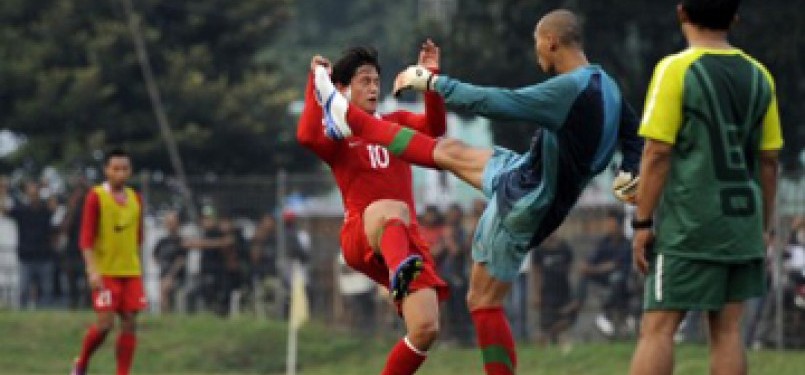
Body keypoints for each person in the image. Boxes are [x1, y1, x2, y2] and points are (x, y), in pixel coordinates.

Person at [313, 9, 643, 374]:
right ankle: (344, 115)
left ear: (551, 43)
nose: (537, 55)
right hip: (524, 169)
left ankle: (345, 115)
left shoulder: (566, 89)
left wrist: (433, 82)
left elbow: (497, 102)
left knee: (482, 301)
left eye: (538, 46)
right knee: (449, 151)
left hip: (529, 199)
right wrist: (631, 167)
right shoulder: (606, 83)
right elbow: (632, 130)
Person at [627, 0, 783, 374]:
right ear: (734, 17)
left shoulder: (675, 69)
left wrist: (643, 223)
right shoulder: (760, 75)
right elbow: (769, 160)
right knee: (728, 330)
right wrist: (764, 226)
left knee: (658, 329)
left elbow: (657, 152)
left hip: (690, 223)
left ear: (681, 13)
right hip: (742, 221)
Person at [298, 41, 449, 374]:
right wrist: (315, 81)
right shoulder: (339, 133)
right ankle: (400, 271)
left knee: (425, 329)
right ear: (343, 88)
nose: (372, 88)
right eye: (363, 81)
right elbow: (308, 136)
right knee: (391, 209)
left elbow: (436, 128)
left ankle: (401, 269)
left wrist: (430, 78)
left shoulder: (394, 122)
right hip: (361, 233)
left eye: (375, 81)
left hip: (404, 241)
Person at [71, 149, 145, 375]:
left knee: (130, 321)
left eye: (125, 169)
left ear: (130, 171)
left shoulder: (136, 199)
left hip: (130, 271)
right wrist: (92, 269)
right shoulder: (96, 197)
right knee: (105, 324)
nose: (121, 173)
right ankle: (81, 363)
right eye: (116, 169)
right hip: (106, 273)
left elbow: (139, 236)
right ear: (106, 170)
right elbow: (86, 238)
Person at [572, 209, 632, 337]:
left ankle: (607, 314)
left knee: (616, 278)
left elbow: (614, 265)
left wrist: (593, 269)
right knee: (584, 275)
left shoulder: (626, 244)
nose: (609, 227)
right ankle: (577, 302)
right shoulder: (604, 242)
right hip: (605, 278)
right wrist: (585, 266)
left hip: (623, 281)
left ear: (619, 225)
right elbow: (592, 259)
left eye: (612, 224)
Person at [1, 180, 57, 308]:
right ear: (27, 194)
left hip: (44, 257)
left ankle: (45, 317)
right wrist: (3, 193)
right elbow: (4, 211)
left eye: (35, 192)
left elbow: (54, 206)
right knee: (24, 291)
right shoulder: (22, 210)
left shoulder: (45, 210)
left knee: (46, 292)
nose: (33, 195)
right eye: (30, 192)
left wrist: (49, 188)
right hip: (26, 258)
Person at [531, 233, 575, 347]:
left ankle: (552, 335)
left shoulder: (565, 248)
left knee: (567, 319)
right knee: (546, 323)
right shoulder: (539, 250)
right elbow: (536, 272)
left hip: (563, 291)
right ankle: (547, 342)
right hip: (547, 292)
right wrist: (536, 293)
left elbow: (570, 269)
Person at [152, 210, 187, 313]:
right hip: (163, 274)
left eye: (173, 222)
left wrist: (171, 275)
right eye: (168, 222)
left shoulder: (181, 241)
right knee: (163, 292)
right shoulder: (162, 241)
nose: (170, 225)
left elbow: (181, 260)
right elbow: (155, 255)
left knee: (166, 289)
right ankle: (165, 315)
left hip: (177, 276)